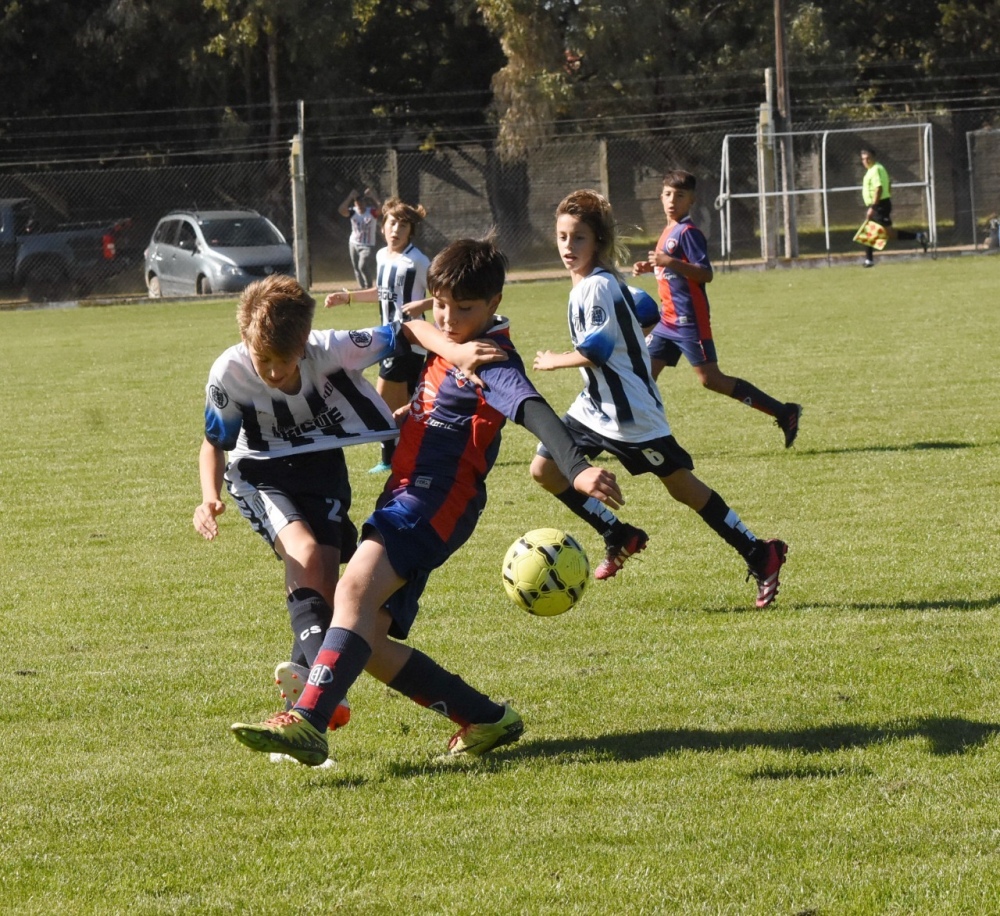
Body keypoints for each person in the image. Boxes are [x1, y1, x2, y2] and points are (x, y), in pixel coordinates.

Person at [230, 236, 625, 767]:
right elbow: (414, 330)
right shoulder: (450, 342)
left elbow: (531, 407)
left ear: (493, 304)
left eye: (465, 309)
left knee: (352, 590)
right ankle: (485, 717)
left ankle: (309, 721)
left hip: (433, 500)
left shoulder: (491, 359)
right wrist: (406, 418)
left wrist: (575, 469)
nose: (450, 317)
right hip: (409, 494)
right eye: (441, 302)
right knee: (366, 637)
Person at [195, 272, 506, 764]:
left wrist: (459, 351)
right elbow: (214, 444)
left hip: (323, 470)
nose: (273, 373)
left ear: (304, 343)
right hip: (259, 471)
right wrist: (207, 496)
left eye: (284, 360)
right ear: (244, 341)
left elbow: (405, 329)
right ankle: (322, 704)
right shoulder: (229, 374)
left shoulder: (331, 348)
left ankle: (303, 711)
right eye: (263, 361)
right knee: (305, 553)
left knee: (330, 585)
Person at [531, 188, 788, 604]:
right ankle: (618, 532)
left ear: (597, 240)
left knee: (682, 488)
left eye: (578, 237)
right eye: (562, 237)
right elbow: (647, 308)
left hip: (632, 415)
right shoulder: (604, 283)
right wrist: (631, 336)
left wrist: (553, 360)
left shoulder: (595, 288)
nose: (568, 246)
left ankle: (760, 552)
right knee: (544, 468)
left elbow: (595, 352)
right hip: (594, 408)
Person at [633, 170, 802, 448]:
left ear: (692, 201)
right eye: (667, 194)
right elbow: (671, 265)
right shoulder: (668, 231)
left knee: (710, 380)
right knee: (641, 376)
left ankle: (785, 412)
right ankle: (639, 438)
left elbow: (704, 273)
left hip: (689, 322)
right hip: (668, 321)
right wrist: (651, 265)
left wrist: (668, 261)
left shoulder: (689, 233)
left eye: (680, 195)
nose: (672, 200)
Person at [326, 197, 431, 474]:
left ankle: (389, 459)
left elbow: (446, 295)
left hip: (408, 340)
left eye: (403, 225)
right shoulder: (382, 256)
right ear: (383, 226)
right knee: (409, 406)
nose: (396, 229)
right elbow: (381, 292)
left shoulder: (418, 261)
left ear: (411, 231)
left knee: (383, 403)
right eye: (392, 223)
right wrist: (347, 297)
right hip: (390, 339)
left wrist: (423, 304)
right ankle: (421, 452)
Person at [858, 147, 928, 268]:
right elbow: (889, 184)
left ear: (873, 157)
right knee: (879, 233)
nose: (866, 161)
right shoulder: (876, 168)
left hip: (879, 206)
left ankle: (869, 260)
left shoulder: (875, 170)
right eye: (863, 159)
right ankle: (918, 236)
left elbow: (878, 188)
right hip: (880, 204)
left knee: (877, 232)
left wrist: (873, 207)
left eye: (868, 158)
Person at [338, 186, 382, 288]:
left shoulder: (370, 212)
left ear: (365, 203)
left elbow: (382, 209)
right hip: (353, 243)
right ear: (355, 204)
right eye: (357, 204)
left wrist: (373, 196)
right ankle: (362, 288)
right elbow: (341, 210)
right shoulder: (353, 212)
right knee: (356, 268)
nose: (360, 206)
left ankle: (369, 286)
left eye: (362, 203)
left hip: (367, 245)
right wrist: (350, 196)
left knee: (362, 265)